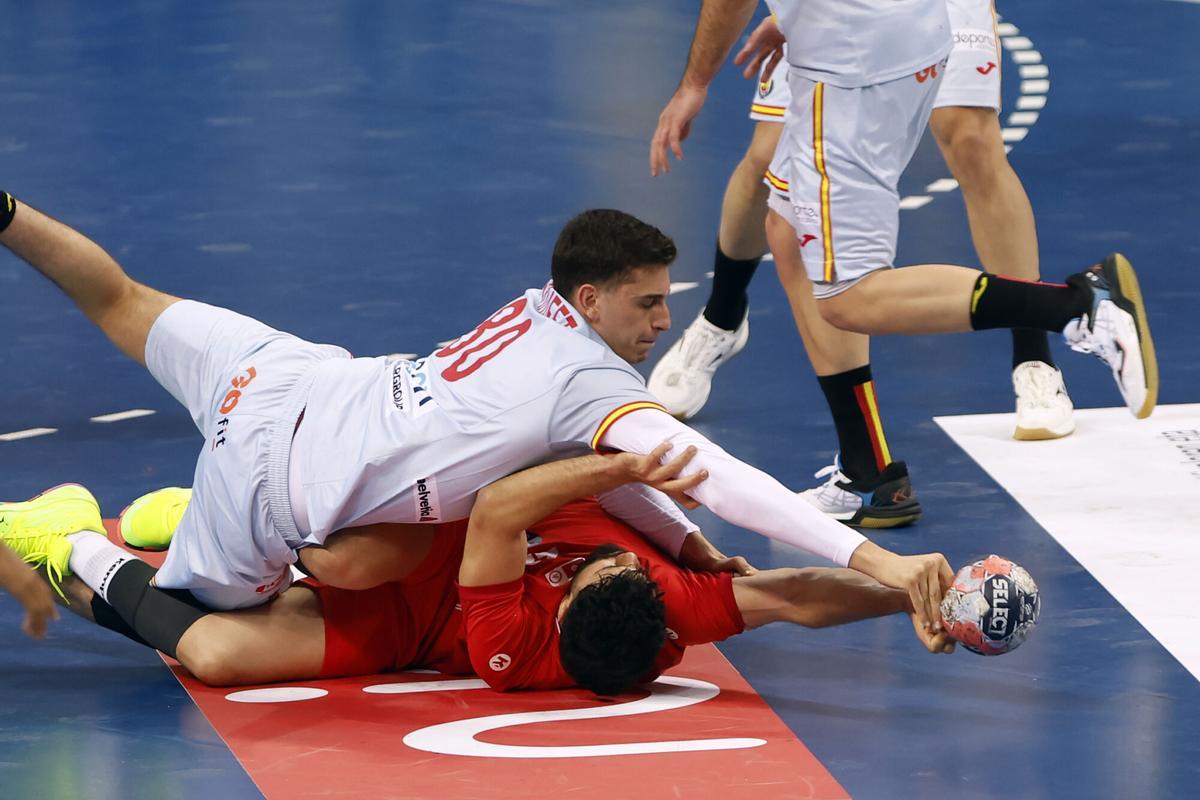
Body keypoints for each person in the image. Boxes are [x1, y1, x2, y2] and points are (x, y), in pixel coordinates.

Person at [0, 193, 954, 628]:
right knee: (189, 624)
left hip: (293, 377)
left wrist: (676, 533)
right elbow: (730, 482)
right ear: (588, 299)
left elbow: (598, 461)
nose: (665, 322)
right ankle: (63, 539)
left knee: (120, 299)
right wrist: (882, 559)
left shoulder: (539, 309)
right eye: (648, 303)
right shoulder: (590, 381)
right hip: (273, 489)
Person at [17, 451, 953, 695]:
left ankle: (73, 540)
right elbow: (790, 595)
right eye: (618, 561)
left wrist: (622, 471)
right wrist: (914, 596)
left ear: (562, 609)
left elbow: (503, 513)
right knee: (361, 549)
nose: (618, 555)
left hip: (426, 600)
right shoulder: (664, 610)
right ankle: (187, 520)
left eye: (597, 569)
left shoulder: (513, 647)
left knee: (217, 651)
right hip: (428, 517)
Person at [649, 2, 1075, 529]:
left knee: (963, 144)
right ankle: (864, 465)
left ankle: (1059, 325)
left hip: (874, 31)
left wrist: (695, 82)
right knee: (780, 201)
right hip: (853, 23)